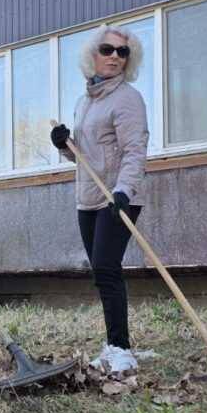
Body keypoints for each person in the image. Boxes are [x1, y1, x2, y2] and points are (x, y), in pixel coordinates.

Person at [49, 25, 149, 374]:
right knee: (100, 272)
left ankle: (121, 349)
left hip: (118, 197)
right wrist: (64, 144)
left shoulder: (127, 98)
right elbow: (86, 160)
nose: (115, 57)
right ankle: (112, 344)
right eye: (108, 49)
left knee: (108, 270)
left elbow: (135, 151)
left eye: (123, 52)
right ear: (92, 54)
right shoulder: (85, 101)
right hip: (88, 198)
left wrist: (124, 190)